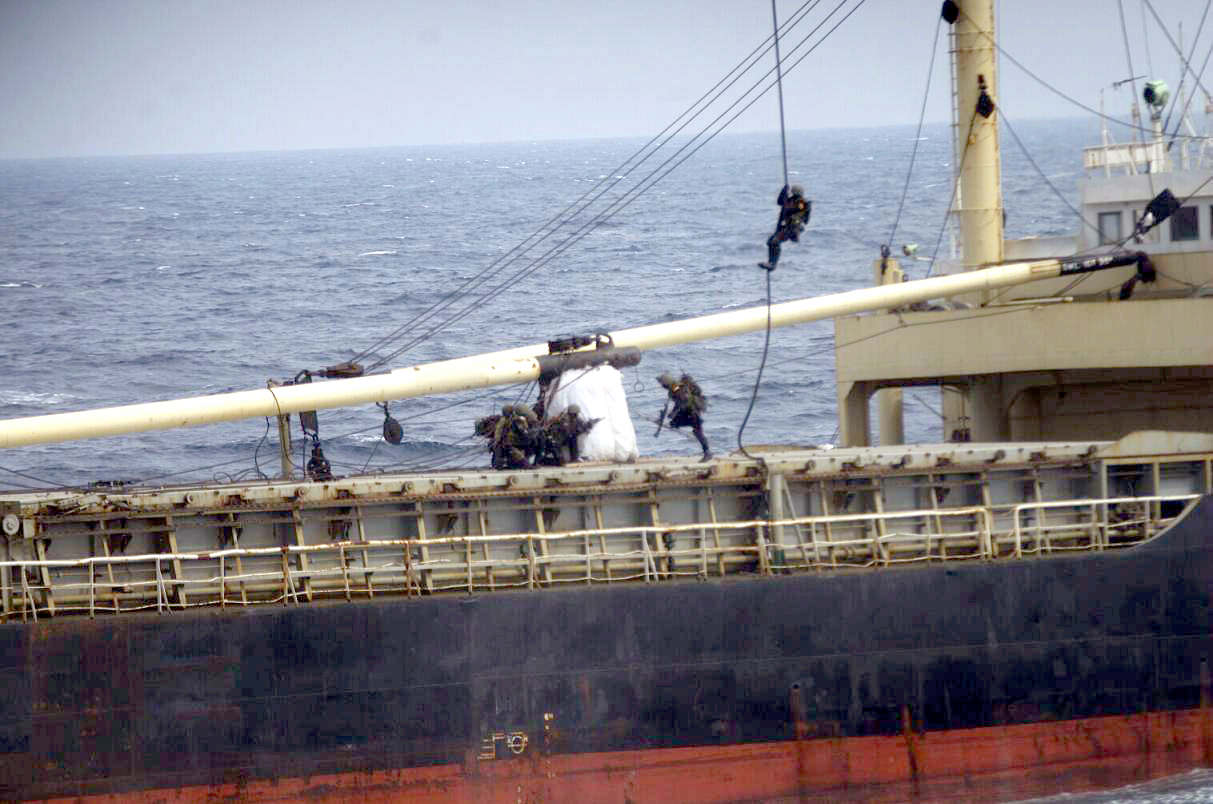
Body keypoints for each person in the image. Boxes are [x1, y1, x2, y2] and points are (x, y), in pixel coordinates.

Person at [657, 372, 711, 460]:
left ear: (667, 383)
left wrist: (673, 413)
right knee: (694, 430)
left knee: (696, 431)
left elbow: (683, 400)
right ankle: (707, 452)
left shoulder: (676, 388)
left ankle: (707, 452)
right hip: (690, 412)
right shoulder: (674, 388)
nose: (662, 386)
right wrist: (673, 413)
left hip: (692, 412)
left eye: (663, 383)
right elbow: (678, 401)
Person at [759, 184, 811, 270]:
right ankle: (771, 262)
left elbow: (800, 213)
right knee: (771, 242)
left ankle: (772, 264)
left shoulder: (801, 202)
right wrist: (784, 191)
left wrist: (789, 208)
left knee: (775, 241)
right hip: (784, 227)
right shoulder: (789, 200)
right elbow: (780, 201)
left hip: (792, 228)